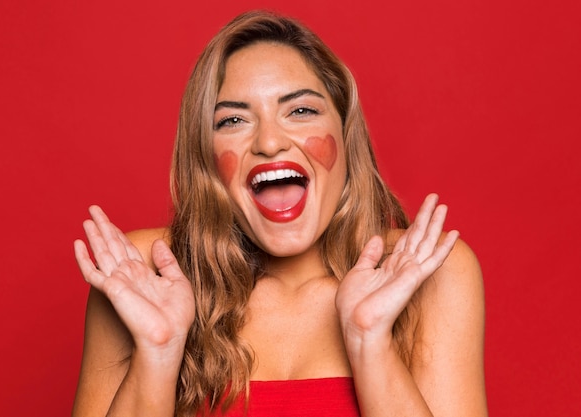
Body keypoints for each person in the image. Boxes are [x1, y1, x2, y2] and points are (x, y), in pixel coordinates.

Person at [72, 10, 487, 417]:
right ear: (206, 155)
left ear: (345, 133)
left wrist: (368, 342)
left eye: (301, 111)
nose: (269, 142)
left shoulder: (429, 273)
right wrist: (158, 353)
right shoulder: (144, 274)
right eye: (233, 119)